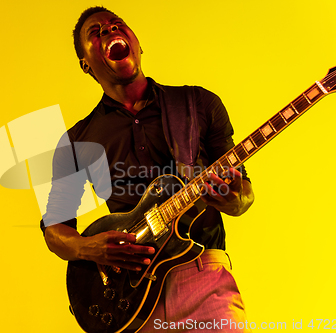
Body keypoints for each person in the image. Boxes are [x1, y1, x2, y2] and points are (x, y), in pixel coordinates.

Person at [40, 6, 255, 332]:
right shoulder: (77, 140)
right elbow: (55, 231)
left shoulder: (197, 104)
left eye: (117, 25)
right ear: (86, 64)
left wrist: (232, 198)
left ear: (138, 44)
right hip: (129, 299)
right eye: (96, 33)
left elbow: (242, 194)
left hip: (202, 275)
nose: (110, 31)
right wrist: (89, 248)